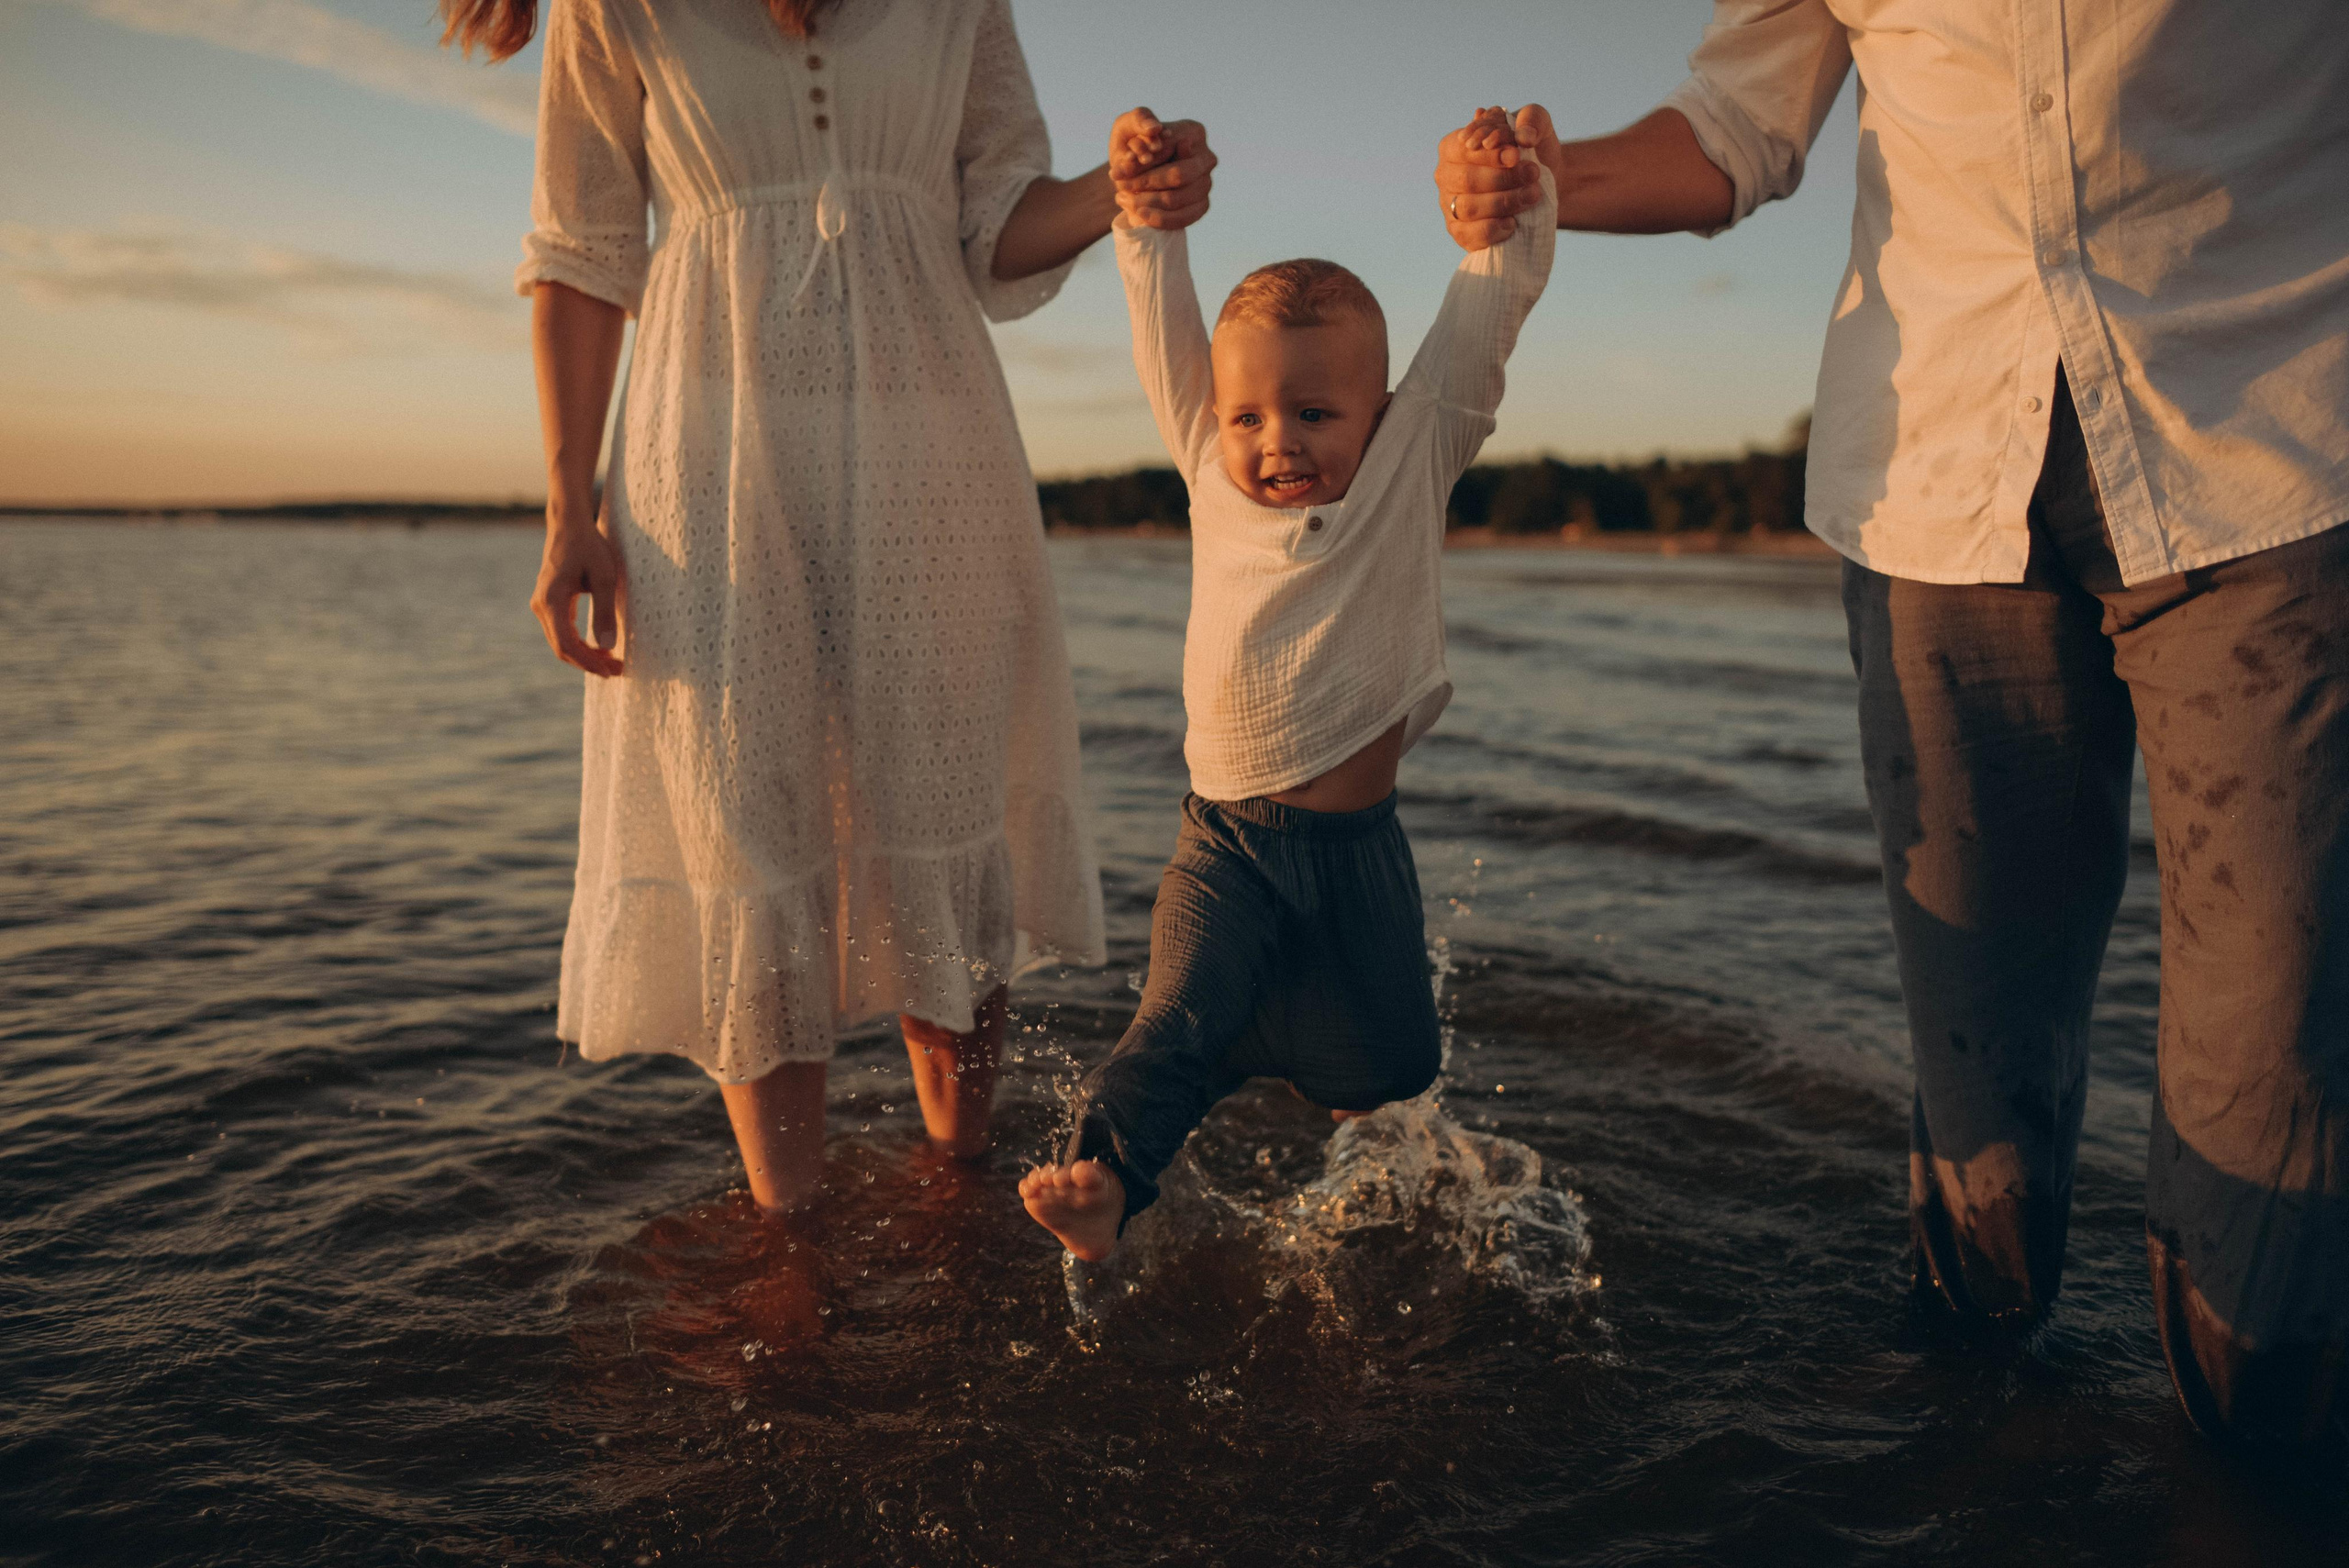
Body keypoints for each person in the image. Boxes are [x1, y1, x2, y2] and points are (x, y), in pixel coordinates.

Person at [1436, 5, 2349, 1443]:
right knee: (1978, 1074)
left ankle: (2250, 1474)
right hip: (1940, 484)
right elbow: (1742, 125)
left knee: (2275, 1077)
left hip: (2281, 443)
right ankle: (1968, 1456)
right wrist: (1547, 180)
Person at [445, 0, 1216, 1211]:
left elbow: (999, 220)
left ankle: (960, 1187)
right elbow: (584, 251)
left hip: (930, 437)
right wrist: (568, 510)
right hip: (706, 452)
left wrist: (1120, 189)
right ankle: (785, 1239)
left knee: (945, 787)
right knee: (746, 815)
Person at [1021, 110, 1555, 1262]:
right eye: (1252, 414)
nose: (1276, 442)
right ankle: (1106, 1185)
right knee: (1168, 1019)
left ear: (1381, 411)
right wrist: (1145, 214)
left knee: (1396, 1067)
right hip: (1225, 840)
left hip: (1357, 845)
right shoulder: (1208, 463)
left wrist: (1519, 197)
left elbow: (1490, 306)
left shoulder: (1415, 457)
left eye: (1314, 413)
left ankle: (1261, 1040)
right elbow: (1158, 314)